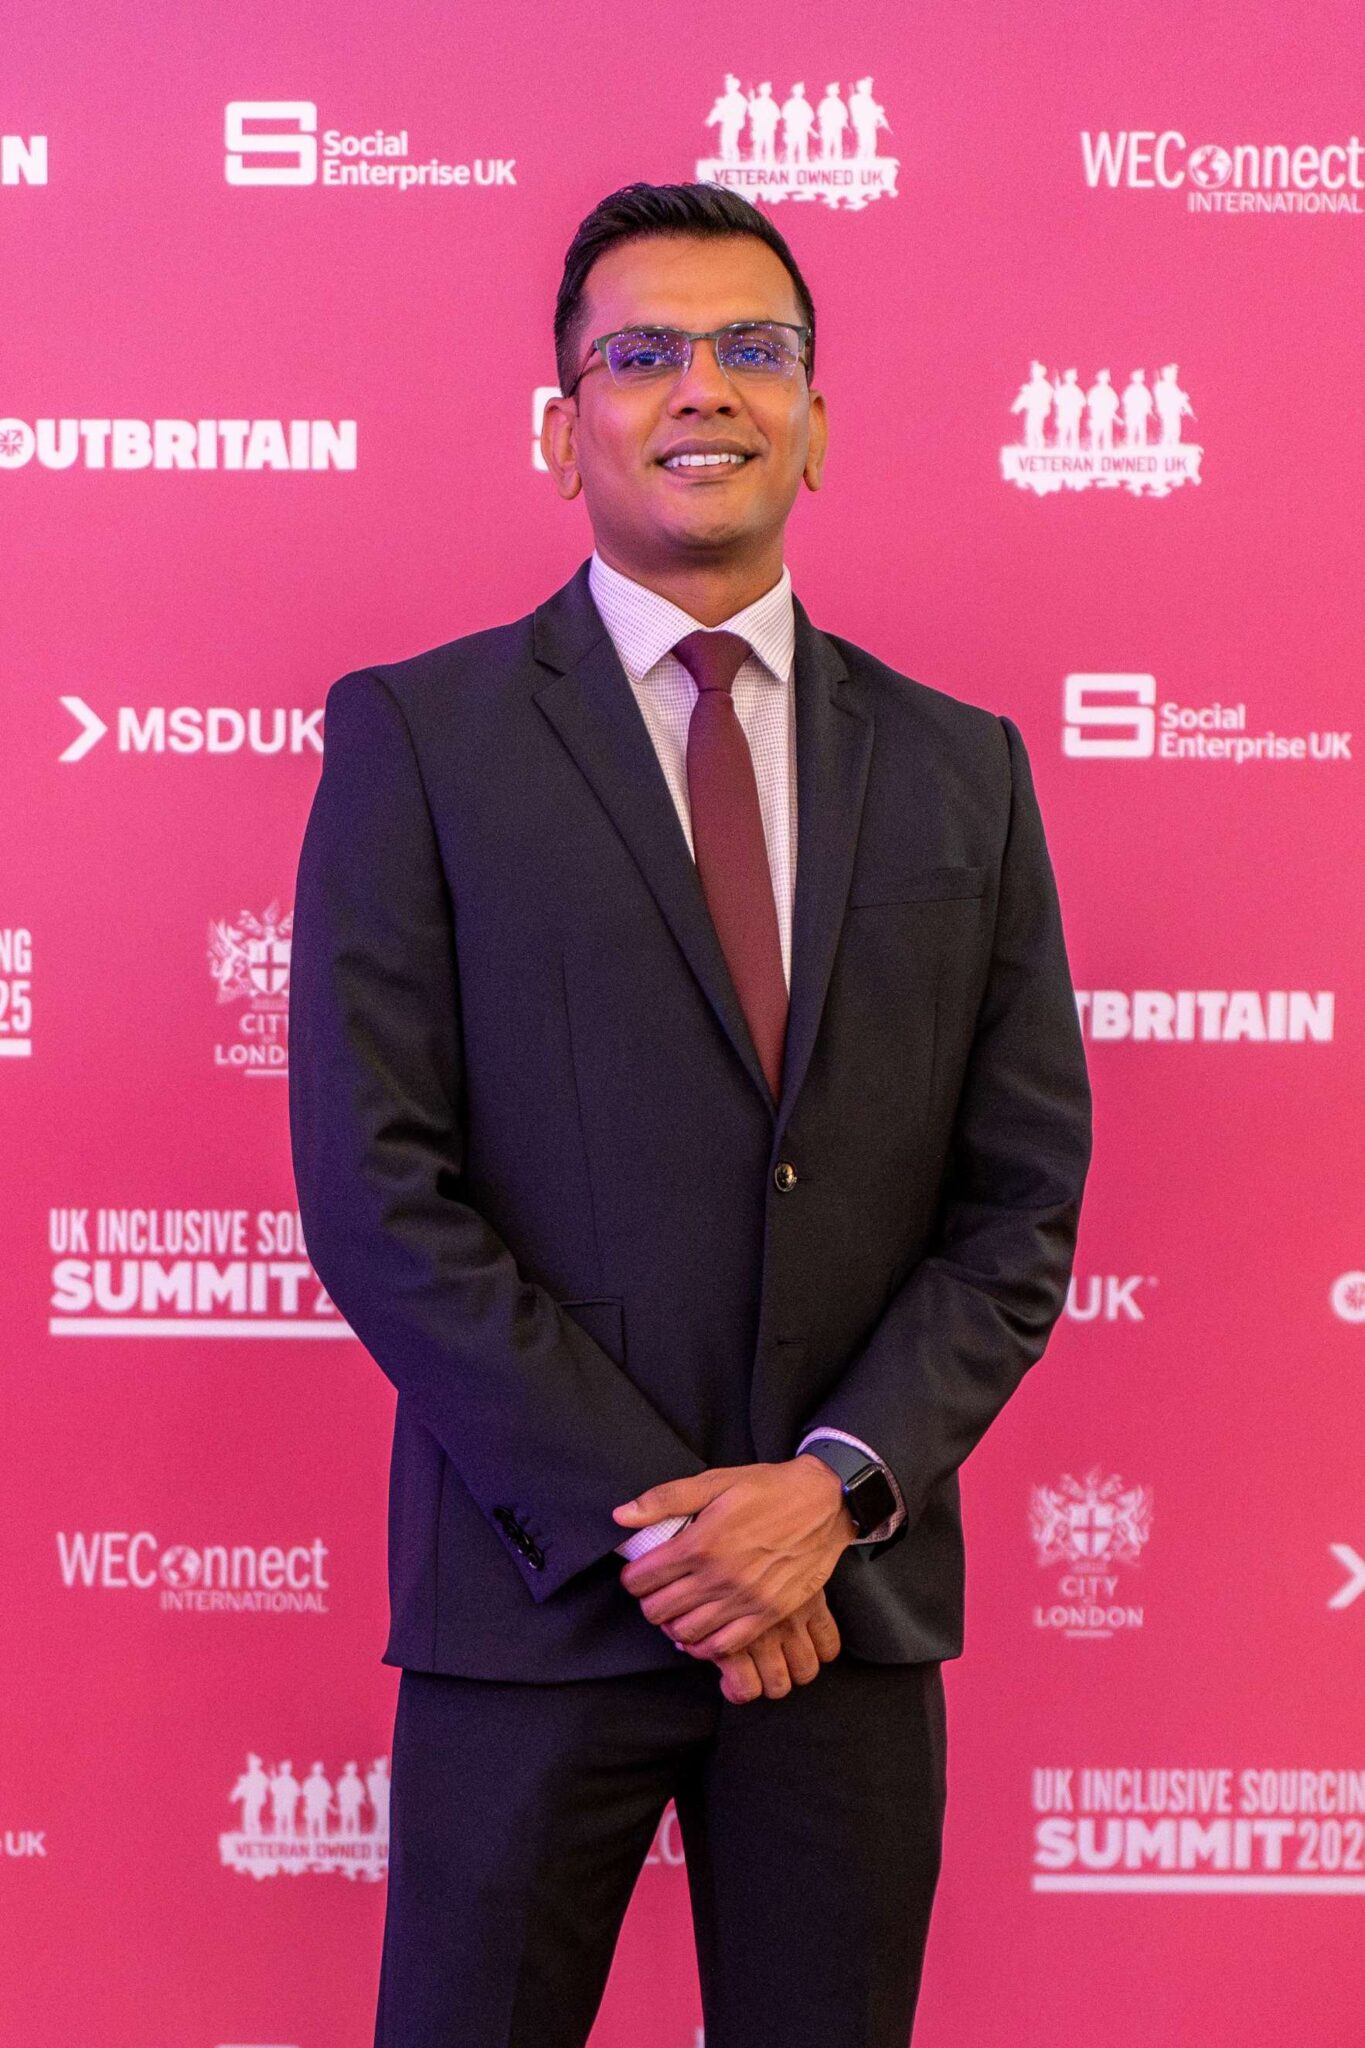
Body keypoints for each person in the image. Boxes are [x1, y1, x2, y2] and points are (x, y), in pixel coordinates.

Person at [289, 179, 1092, 2048]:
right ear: (560, 428)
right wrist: (675, 1540)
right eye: (640, 353)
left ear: (817, 420)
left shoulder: (961, 768)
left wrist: (825, 1497)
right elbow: (379, 1191)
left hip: (845, 1605)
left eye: (754, 349)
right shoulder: (421, 738)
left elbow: (1016, 1207)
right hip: (536, 1595)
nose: (702, 388)